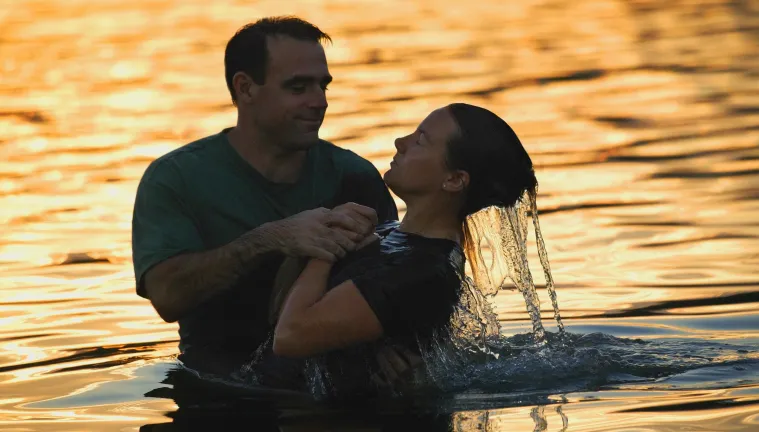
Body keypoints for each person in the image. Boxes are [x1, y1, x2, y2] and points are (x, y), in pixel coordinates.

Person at [130, 16, 400, 375]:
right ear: (245, 88)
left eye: (323, 86)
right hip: (219, 385)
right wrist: (269, 239)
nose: (319, 102)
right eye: (298, 88)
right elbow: (166, 298)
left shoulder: (355, 175)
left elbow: (399, 287)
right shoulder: (175, 179)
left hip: (339, 381)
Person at [246, 102, 540, 397]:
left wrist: (329, 244)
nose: (401, 142)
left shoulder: (421, 271)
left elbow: (289, 336)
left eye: (421, 139)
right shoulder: (389, 234)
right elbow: (279, 315)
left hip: (303, 412)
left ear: (453, 180)